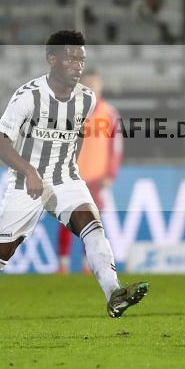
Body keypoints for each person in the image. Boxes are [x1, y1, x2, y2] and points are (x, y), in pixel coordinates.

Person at [0, 30, 148, 345]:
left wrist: (71, 169)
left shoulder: (87, 98)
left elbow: (78, 133)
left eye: (81, 58)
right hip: (27, 183)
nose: (77, 64)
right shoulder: (28, 96)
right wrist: (28, 171)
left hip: (66, 178)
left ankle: (114, 293)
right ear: (52, 59)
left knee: (93, 229)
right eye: (70, 57)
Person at [56, 67, 123, 274]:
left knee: (92, 222)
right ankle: (63, 264)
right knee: (67, 219)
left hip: (95, 178)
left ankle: (88, 265)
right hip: (71, 176)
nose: (91, 88)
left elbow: (116, 146)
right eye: (87, 84)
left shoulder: (109, 113)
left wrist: (110, 174)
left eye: (94, 84)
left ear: (100, 86)